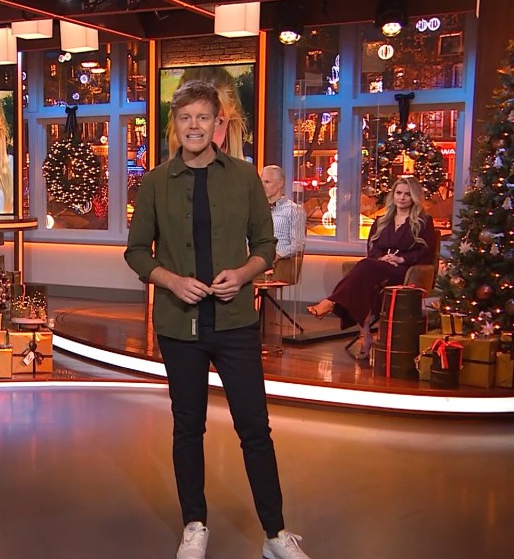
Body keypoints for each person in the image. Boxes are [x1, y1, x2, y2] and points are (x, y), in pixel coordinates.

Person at [125, 80, 312, 559]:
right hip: (179, 325)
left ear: (218, 124)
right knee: (188, 427)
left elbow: (266, 245)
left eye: (203, 117)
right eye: (185, 117)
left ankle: (275, 534)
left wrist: (243, 274)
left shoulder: (245, 177)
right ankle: (194, 525)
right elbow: (136, 252)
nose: (194, 126)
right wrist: (171, 280)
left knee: (255, 428)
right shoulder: (155, 182)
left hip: (234, 323)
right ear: (175, 125)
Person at [307, 177, 435, 359]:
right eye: (398, 193)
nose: (402, 198)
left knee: (365, 266)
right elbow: (372, 248)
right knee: (365, 283)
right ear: (393, 195)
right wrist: (381, 258)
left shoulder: (423, 221)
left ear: (414, 197)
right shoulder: (382, 220)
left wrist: (400, 259)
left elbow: (426, 252)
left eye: (407, 194)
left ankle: (332, 302)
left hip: (404, 271)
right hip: (380, 265)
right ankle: (365, 335)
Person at [168, 66, 253, 162]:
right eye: (186, 118)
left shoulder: (249, 170)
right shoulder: (160, 170)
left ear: (230, 123)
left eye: (218, 121)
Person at [261, 165, 306, 282]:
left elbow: (298, 244)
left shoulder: (294, 210)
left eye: (267, 182)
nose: (262, 186)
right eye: (261, 182)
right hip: (256, 262)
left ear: (280, 183)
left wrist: (277, 255)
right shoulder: (257, 209)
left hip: (280, 265)